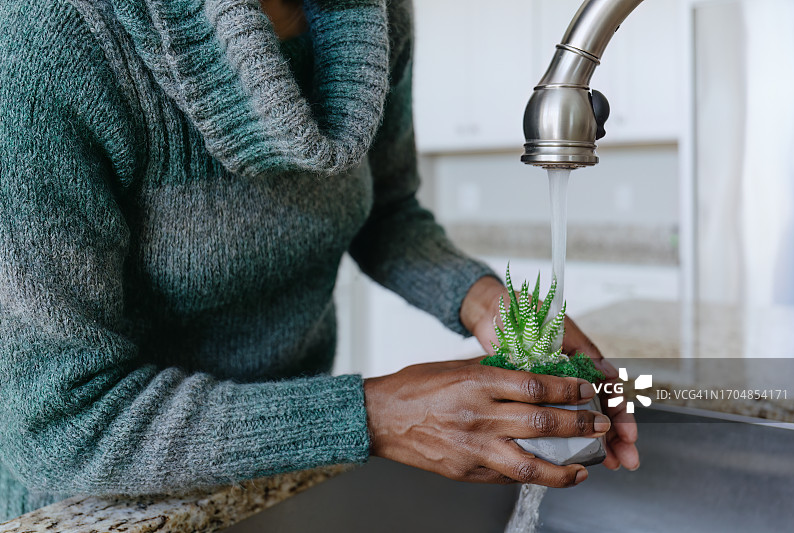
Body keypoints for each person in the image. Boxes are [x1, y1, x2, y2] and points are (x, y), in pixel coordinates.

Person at [0, 0, 638, 521]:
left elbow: (386, 210)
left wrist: (487, 303)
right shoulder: (53, 37)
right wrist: (374, 414)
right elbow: (58, 422)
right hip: (101, 506)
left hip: (282, 476)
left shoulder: (376, 17)